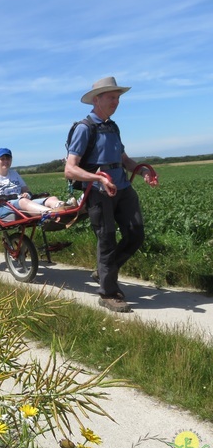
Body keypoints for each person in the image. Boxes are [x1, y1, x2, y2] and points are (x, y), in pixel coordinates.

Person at [65, 76, 158, 313]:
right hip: (98, 191)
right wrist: (97, 178)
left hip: (123, 189)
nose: (116, 102)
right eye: (112, 97)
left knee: (136, 233)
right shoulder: (85, 128)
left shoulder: (113, 126)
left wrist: (142, 169)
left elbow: (124, 160)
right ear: (97, 100)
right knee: (106, 239)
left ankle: (105, 271)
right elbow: (70, 168)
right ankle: (108, 293)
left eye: (118, 98)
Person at [0, 148, 71, 219]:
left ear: (11, 160)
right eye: (2, 159)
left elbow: (26, 189)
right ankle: (51, 213)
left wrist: (27, 193)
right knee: (24, 201)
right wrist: (2, 196)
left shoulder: (14, 174)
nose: (6, 161)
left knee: (52, 198)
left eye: (8, 158)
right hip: (3, 206)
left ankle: (66, 207)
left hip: (20, 202)